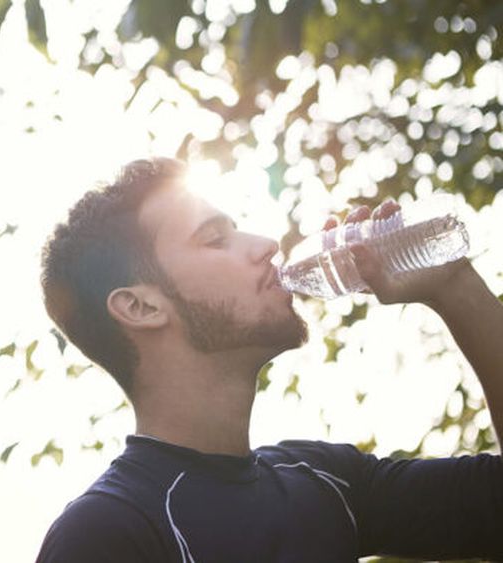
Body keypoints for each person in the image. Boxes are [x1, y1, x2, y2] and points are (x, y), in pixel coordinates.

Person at [35, 157, 503, 562]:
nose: (266, 245)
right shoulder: (107, 532)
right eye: (216, 238)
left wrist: (455, 287)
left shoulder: (324, 480)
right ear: (141, 307)